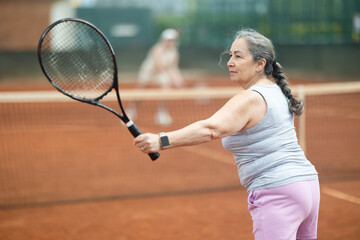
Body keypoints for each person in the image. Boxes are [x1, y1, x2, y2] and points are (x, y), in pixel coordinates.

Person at [134, 28, 320, 240]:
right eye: (230, 55)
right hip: (308, 186)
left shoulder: (250, 98)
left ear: (260, 64)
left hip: (277, 190)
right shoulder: (277, 90)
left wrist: (161, 140)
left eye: (238, 56)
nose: (230, 62)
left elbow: (212, 129)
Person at [126, 28, 184, 126]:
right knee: (141, 91)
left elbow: (173, 68)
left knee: (166, 88)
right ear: (163, 39)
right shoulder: (157, 49)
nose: (170, 42)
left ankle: (162, 114)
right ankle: (130, 111)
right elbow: (159, 65)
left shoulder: (174, 52)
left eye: (172, 40)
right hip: (149, 72)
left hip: (160, 73)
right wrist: (171, 77)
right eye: (168, 40)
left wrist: (178, 80)